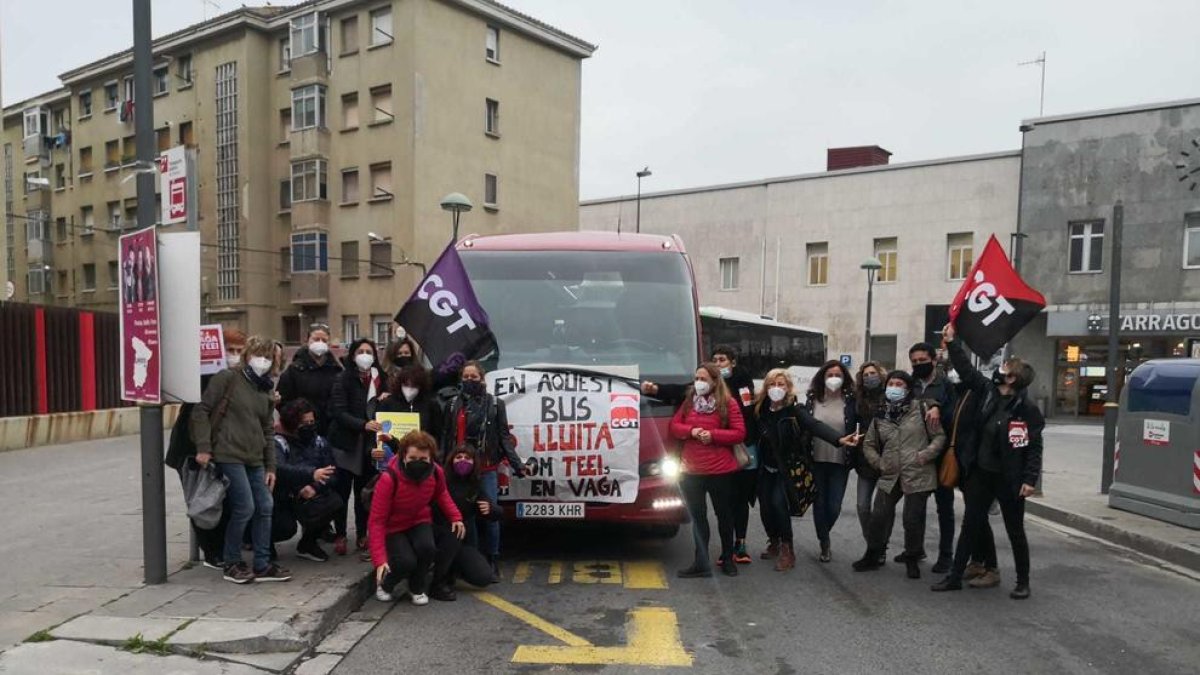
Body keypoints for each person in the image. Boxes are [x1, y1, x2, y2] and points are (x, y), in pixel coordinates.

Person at [933, 323, 1044, 599]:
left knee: (1015, 530)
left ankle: (1022, 581)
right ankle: (955, 576)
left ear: (1013, 380)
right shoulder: (987, 394)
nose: (999, 371)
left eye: (1005, 370)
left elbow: (1033, 448)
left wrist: (1030, 480)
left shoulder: (1026, 410)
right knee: (970, 524)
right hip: (980, 473)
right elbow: (967, 371)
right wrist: (952, 342)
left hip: (1009, 478)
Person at [190, 335, 291, 584]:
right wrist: (204, 447)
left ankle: (262, 563)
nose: (263, 361)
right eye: (258, 355)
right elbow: (201, 410)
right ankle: (232, 561)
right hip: (228, 454)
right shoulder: (228, 378)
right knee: (244, 506)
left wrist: (271, 466)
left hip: (255, 458)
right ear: (247, 355)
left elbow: (268, 429)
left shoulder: (266, 388)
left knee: (265, 506)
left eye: (268, 357)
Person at [753, 368, 855, 571]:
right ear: (766, 388)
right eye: (772, 384)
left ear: (788, 388)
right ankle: (773, 540)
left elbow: (815, 425)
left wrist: (838, 439)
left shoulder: (794, 411)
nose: (776, 388)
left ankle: (787, 549)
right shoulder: (760, 410)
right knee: (765, 508)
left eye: (780, 384)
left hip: (787, 469)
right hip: (764, 468)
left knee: (778, 504)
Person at [165, 328, 246, 570]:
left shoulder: (236, 377)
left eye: (239, 352)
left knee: (221, 498)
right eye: (230, 350)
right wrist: (202, 448)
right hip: (192, 450)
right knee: (203, 500)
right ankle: (211, 552)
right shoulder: (204, 376)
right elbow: (196, 415)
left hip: (218, 449)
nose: (234, 356)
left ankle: (220, 548)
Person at [439, 361, 528, 582]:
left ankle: (492, 558)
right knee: (464, 515)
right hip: (457, 468)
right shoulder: (451, 405)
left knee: (489, 513)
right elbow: (445, 436)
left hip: (485, 467)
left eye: (474, 377)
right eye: (466, 377)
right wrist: (441, 464)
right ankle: (472, 559)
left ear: (483, 378)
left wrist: (517, 464)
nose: (469, 381)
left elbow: (504, 437)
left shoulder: (495, 404)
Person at [853, 370, 946, 580]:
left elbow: (939, 437)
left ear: (907, 388)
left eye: (899, 384)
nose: (894, 387)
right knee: (878, 515)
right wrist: (879, 462)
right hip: (890, 473)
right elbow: (868, 444)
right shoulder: (881, 414)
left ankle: (912, 558)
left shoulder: (922, 409)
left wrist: (926, 454)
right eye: (891, 383)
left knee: (912, 519)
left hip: (918, 473)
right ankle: (873, 554)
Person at [369, 431, 465, 606]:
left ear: (430, 458)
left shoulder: (436, 472)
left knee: (428, 548)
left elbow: (442, 493)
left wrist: (455, 517)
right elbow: (376, 521)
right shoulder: (388, 479)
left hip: (419, 520)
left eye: (423, 459)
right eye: (413, 458)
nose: (418, 463)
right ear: (403, 456)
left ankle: (416, 587)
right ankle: (386, 584)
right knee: (405, 561)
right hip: (393, 527)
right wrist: (380, 560)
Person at [669, 363, 746, 578]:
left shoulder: (727, 403)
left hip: (720, 471)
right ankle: (701, 562)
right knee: (698, 516)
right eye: (697, 378)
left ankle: (728, 558)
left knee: (724, 516)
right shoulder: (689, 402)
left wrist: (713, 435)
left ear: (714, 381)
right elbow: (674, 427)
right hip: (691, 471)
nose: (699, 383)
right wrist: (692, 431)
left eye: (703, 379)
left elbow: (739, 433)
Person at [328, 338, 384, 556]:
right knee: (342, 492)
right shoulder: (342, 379)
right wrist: (363, 424)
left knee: (364, 493)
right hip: (345, 443)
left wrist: (385, 400)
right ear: (352, 355)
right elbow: (338, 412)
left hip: (369, 446)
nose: (365, 355)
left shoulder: (380, 380)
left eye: (369, 351)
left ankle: (362, 534)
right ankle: (340, 534)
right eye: (360, 351)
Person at [272, 399, 342, 563]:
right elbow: (280, 469)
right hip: (282, 497)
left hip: (309, 494)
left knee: (335, 503)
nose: (310, 426)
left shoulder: (319, 442)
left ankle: (307, 544)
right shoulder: (279, 443)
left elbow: (332, 472)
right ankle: (264, 544)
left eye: (312, 422)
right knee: (285, 528)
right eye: (304, 423)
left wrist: (314, 487)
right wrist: (304, 482)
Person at [430, 443, 503, 599]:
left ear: (474, 462)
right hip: (435, 534)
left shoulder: (474, 486)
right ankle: (438, 581)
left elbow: (495, 512)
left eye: (467, 458)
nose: (462, 461)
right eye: (459, 457)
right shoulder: (440, 479)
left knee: (483, 577)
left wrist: (491, 509)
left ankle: (454, 568)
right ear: (451, 460)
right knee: (452, 533)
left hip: (461, 540)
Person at [909, 342, 958, 574]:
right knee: (915, 506)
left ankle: (946, 555)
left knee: (944, 507)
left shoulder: (946, 385)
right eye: (915, 361)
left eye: (922, 360)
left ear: (933, 360)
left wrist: (936, 406)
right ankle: (915, 549)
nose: (919, 364)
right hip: (917, 454)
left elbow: (953, 414)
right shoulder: (910, 384)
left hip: (939, 454)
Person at [709, 346, 760, 565]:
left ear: (733, 362)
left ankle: (741, 543)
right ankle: (726, 546)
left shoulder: (742, 381)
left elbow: (747, 410)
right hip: (720, 449)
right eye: (715, 360)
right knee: (724, 500)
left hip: (743, 448)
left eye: (722, 360)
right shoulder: (709, 386)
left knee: (740, 499)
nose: (718, 364)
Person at [805, 360, 859, 563]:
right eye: (830, 374)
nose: (834, 378)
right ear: (822, 377)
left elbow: (858, 424)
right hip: (816, 459)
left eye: (838, 374)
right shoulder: (813, 399)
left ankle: (823, 531)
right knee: (819, 503)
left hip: (840, 461)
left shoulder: (851, 400)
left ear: (844, 378)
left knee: (834, 505)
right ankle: (824, 542)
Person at [277, 324, 343, 436]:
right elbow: (282, 402)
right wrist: (297, 418)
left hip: (330, 431)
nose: (320, 343)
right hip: (301, 430)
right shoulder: (294, 370)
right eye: (316, 339)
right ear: (307, 341)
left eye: (324, 340)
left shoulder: (336, 370)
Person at [851, 360, 887, 563]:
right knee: (862, 506)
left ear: (880, 374)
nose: (869, 377)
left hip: (886, 461)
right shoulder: (858, 399)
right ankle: (873, 544)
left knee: (881, 510)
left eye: (872, 373)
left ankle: (878, 549)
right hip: (864, 461)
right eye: (865, 375)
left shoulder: (889, 395)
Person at [375, 365, 444, 437]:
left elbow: (437, 433)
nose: (409, 389)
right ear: (400, 384)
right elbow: (378, 428)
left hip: (422, 446)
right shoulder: (387, 403)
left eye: (414, 386)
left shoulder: (431, 405)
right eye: (406, 385)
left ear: (421, 386)